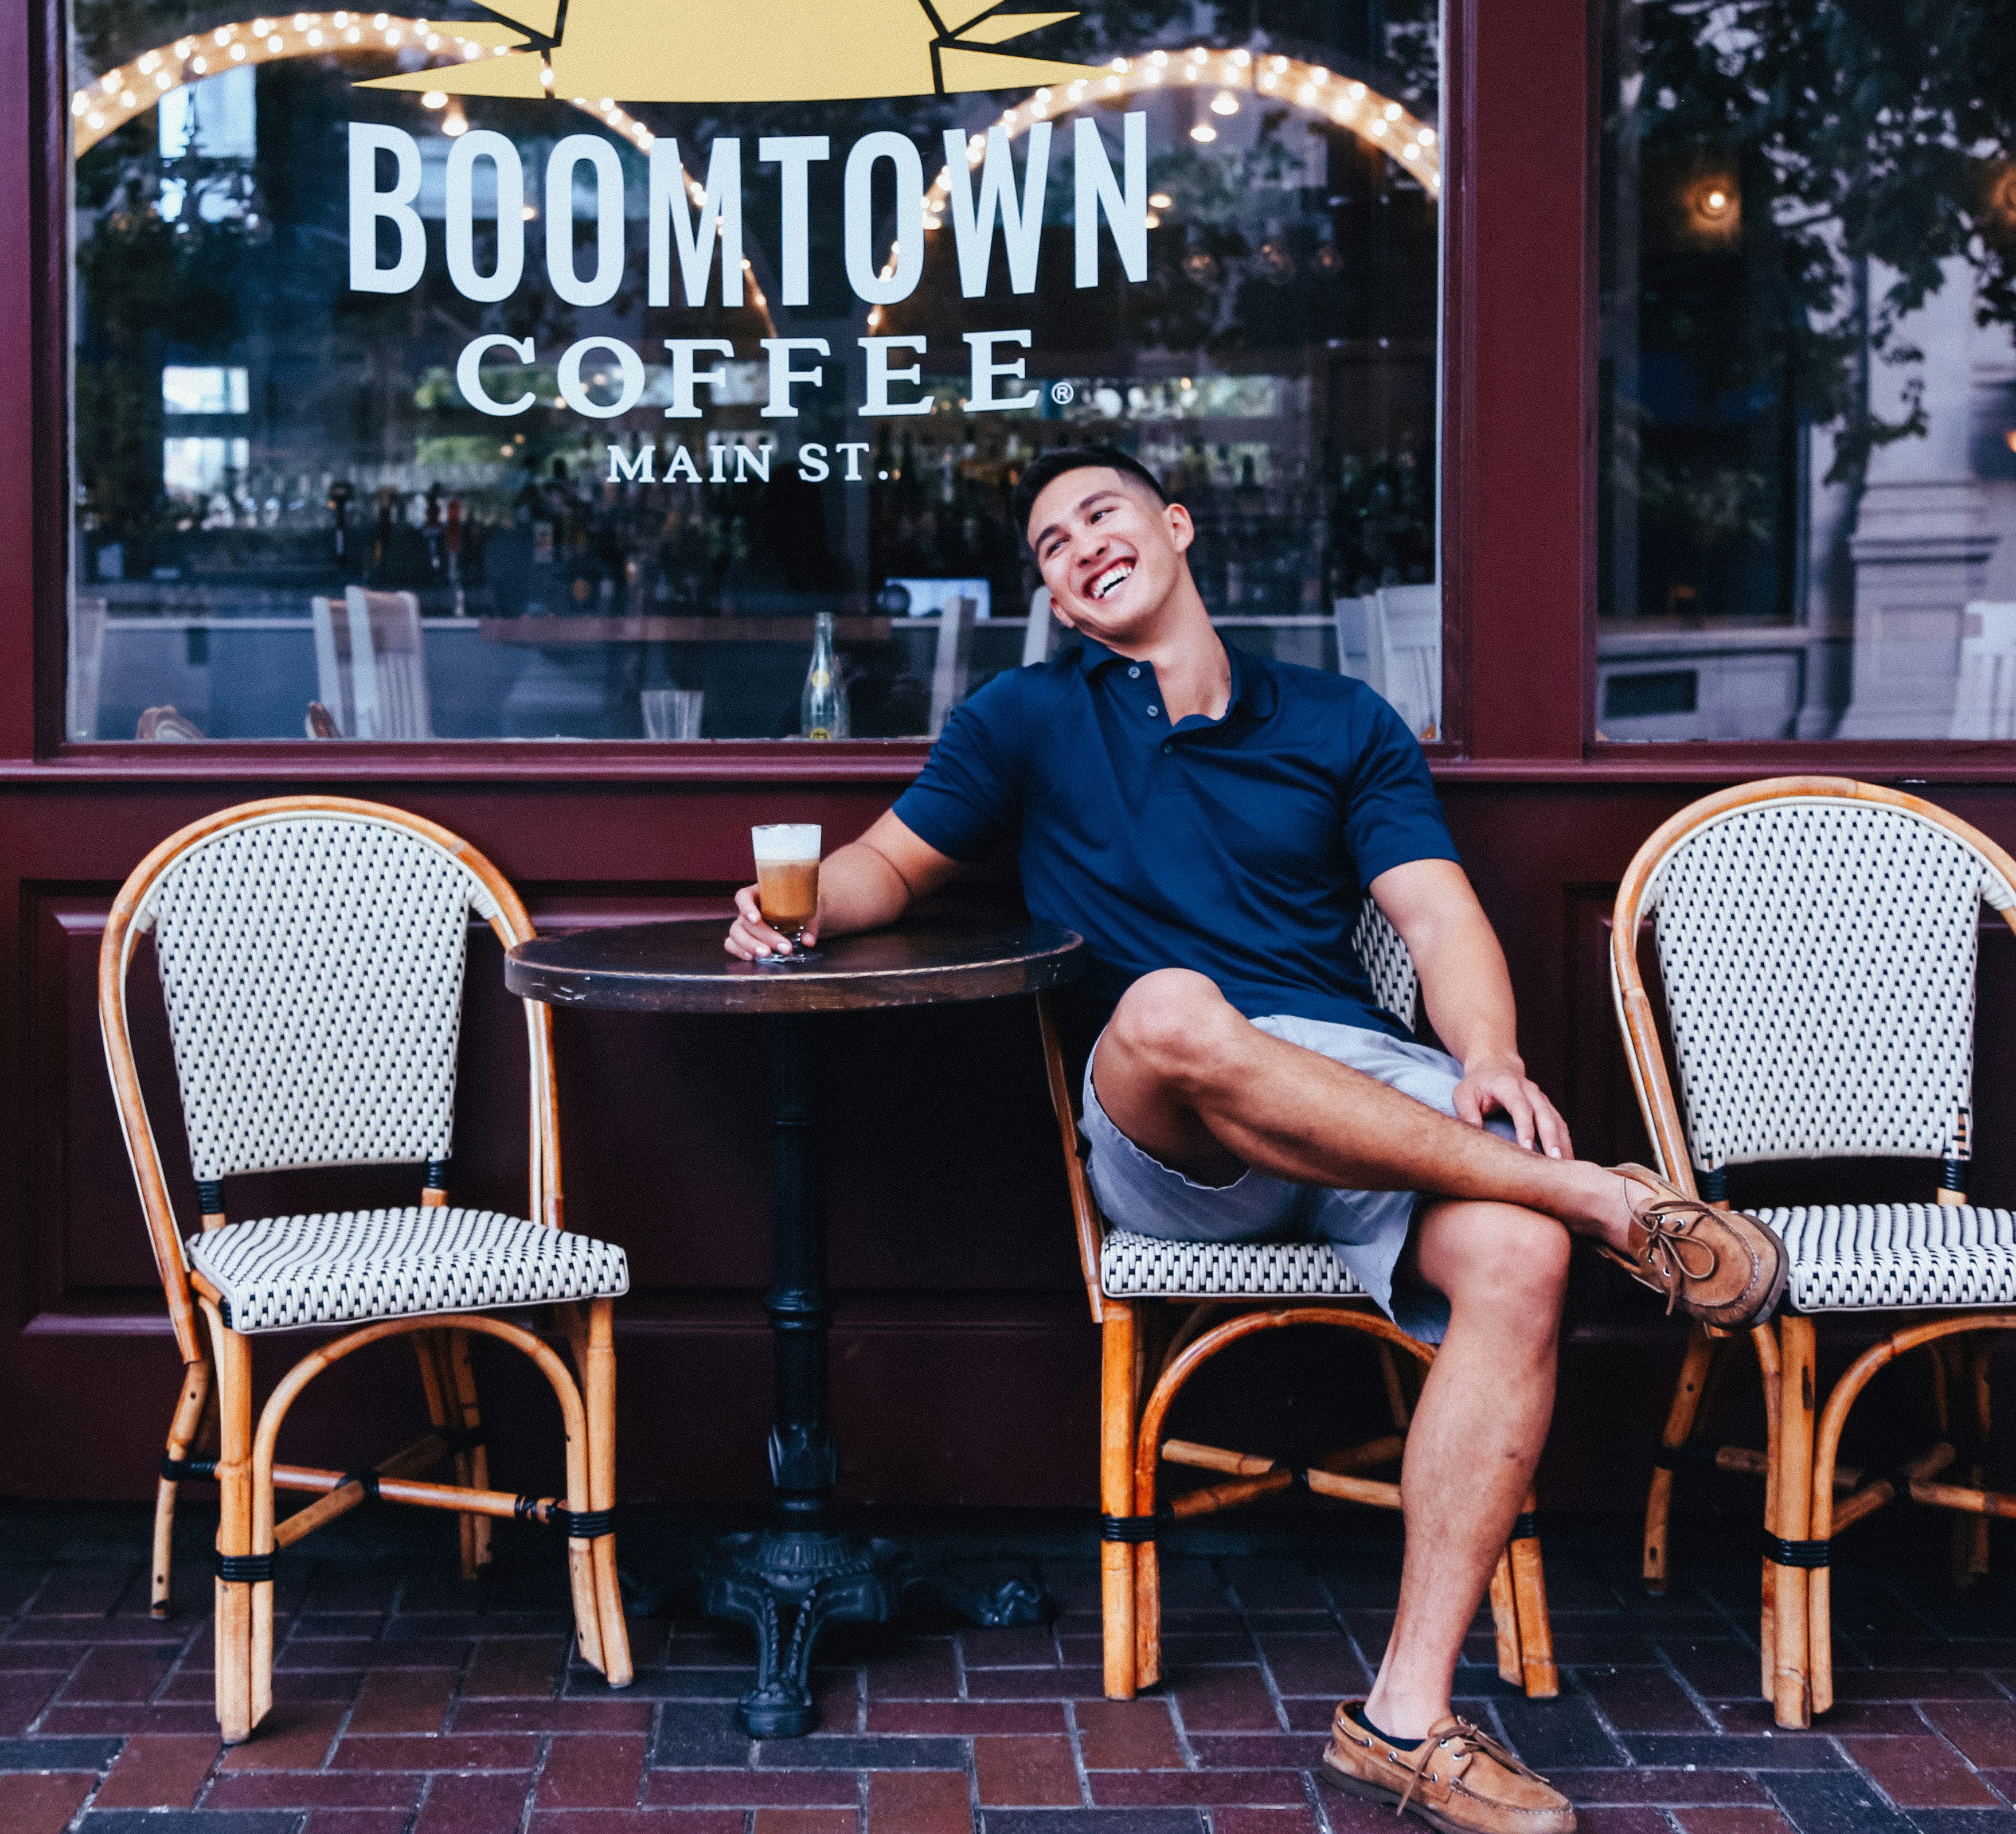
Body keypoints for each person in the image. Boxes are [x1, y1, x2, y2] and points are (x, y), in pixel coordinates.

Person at [723, 444, 1784, 1834]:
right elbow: (889, 862)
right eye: (1048, 543)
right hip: (1177, 1135)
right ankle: (1598, 1194)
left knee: (1517, 1254)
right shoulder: (1024, 716)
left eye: (1098, 512)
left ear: (1173, 523)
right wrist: (797, 904)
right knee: (1171, 1003)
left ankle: (1403, 1718)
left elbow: (1438, 914)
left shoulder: (1340, 716)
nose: (1077, 544)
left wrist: (1490, 1055)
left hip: (1358, 1100)